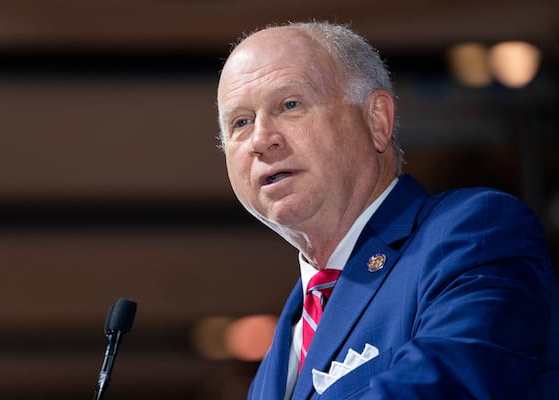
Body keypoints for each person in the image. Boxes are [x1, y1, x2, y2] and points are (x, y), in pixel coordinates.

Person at [216, 21, 556, 399]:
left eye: (290, 105)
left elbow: (447, 386)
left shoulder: (475, 233)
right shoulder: (273, 366)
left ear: (377, 120)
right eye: (240, 122)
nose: (261, 139)